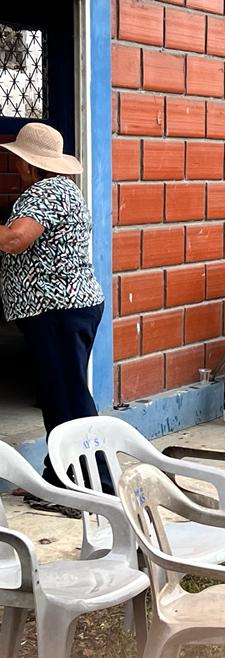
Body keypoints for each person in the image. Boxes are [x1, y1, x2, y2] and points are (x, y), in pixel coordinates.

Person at [0, 123, 106, 503]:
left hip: (59, 311)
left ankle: (95, 485)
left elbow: (15, 239)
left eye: (18, 160)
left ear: (30, 164)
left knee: (68, 399)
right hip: (67, 308)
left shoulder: (45, 191)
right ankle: (59, 477)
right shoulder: (64, 189)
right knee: (59, 395)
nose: (16, 166)